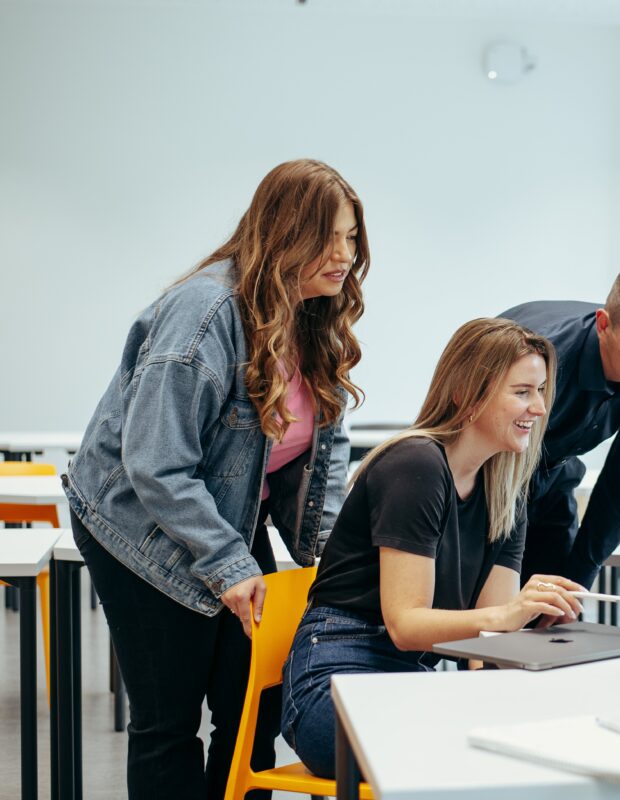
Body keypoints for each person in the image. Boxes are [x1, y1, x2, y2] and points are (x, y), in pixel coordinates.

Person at [62, 159, 367, 799]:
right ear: (286, 233)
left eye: (351, 238)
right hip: (139, 526)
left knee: (253, 709)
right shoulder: (204, 315)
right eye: (329, 238)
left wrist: (335, 554)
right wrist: (229, 565)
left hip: (225, 514)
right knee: (169, 720)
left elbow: (322, 449)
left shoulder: (313, 318)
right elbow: (156, 463)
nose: (345, 256)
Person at [281, 318, 586, 778]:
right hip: (337, 680)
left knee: (530, 742)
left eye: (541, 391)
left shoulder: (507, 494)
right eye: (522, 392)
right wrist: (507, 616)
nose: (540, 408)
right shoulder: (416, 465)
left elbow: (487, 644)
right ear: (467, 394)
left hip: (411, 684)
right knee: (462, 752)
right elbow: (406, 626)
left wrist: (532, 624)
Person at [499, 259, 620, 588]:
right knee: (489, 608)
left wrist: (577, 583)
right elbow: (488, 470)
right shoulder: (544, 362)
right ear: (604, 326)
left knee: (558, 603)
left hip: (553, 474)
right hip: (486, 477)